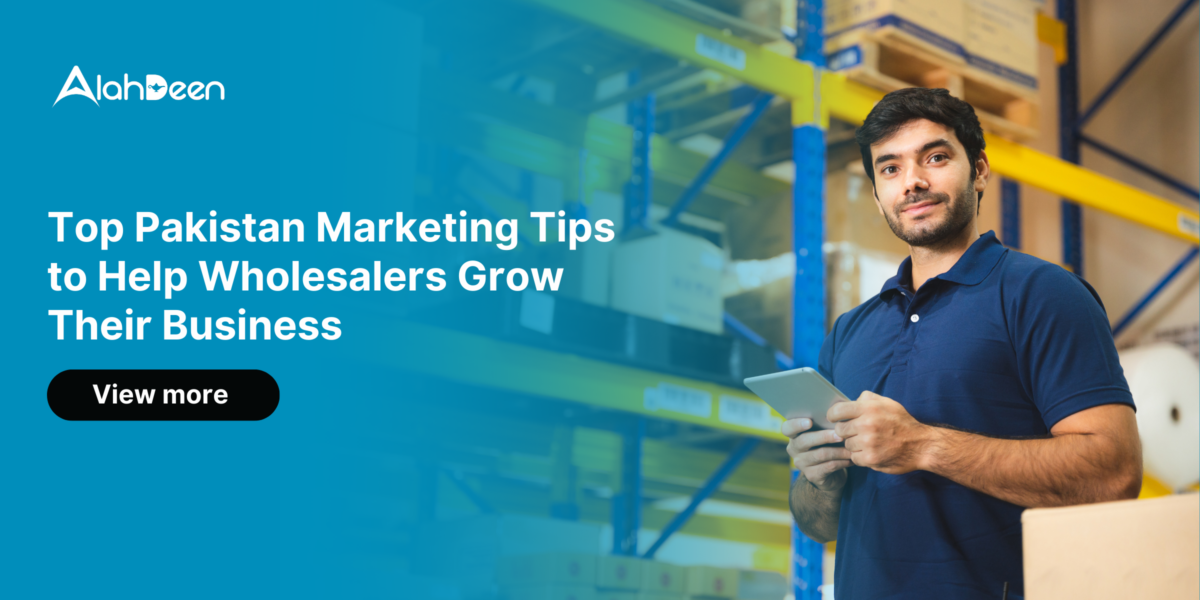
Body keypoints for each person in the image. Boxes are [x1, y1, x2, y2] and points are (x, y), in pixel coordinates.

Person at [782, 87, 1142, 599]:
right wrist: (822, 481)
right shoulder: (850, 331)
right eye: (890, 168)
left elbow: (1114, 475)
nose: (913, 181)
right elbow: (820, 524)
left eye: (935, 157)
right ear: (878, 190)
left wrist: (923, 445)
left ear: (979, 171)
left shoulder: (1042, 294)